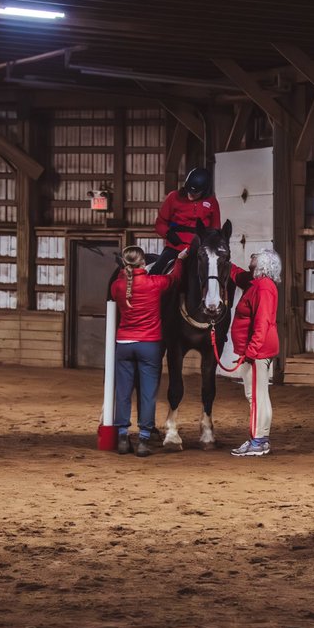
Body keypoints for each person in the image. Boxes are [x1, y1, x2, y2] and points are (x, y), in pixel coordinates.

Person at [110, 244, 187, 456]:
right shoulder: (154, 283)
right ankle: (144, 439)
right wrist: (179, 259)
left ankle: (123, 437)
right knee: (147, 394)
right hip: (149, 344)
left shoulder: (117, 286)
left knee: (123, 392)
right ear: (144, 263)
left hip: (124, 344)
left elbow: (121, 281)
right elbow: (175, 279)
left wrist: (123, 269)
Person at [230, 249, 281, 457]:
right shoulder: (256, 284)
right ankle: (261, 438)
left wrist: (251, 350)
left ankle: (258, 440)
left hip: (258, 351)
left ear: (261, 264)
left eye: (254, 258)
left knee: (256, 396)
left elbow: (262, 322)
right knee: (259, 395)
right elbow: (236, 274)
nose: (251, 259)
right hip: (258, 349)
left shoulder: (263, 288)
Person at [151, 167, 221, 274]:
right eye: (189, 191)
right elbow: (160, 223)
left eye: (195, 193)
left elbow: (215, 230)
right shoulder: (173, 197)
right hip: (175, 247)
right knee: (155, 272)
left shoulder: (212, 202)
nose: (190, 195)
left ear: (204, 190)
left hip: (200, 250)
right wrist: (168, 233)